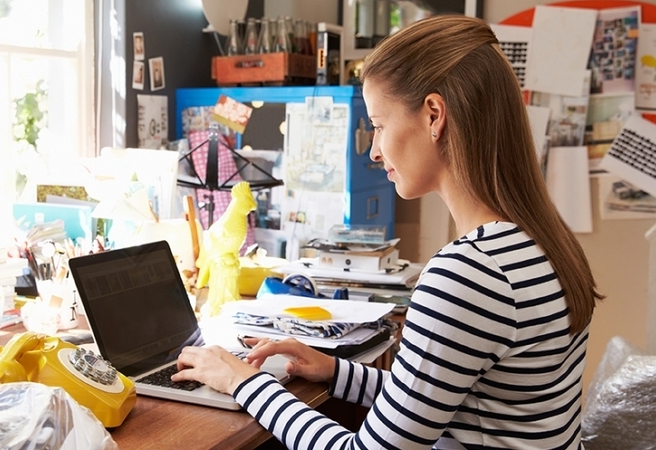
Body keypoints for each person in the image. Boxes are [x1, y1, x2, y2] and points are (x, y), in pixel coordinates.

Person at [172, 14, 603, 449]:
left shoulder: (469, 274)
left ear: (434, 115)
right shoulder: (544, 242)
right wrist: (337, 372)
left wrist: (243, 382)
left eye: (379, 124)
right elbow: (449, 401)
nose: (375, 151)